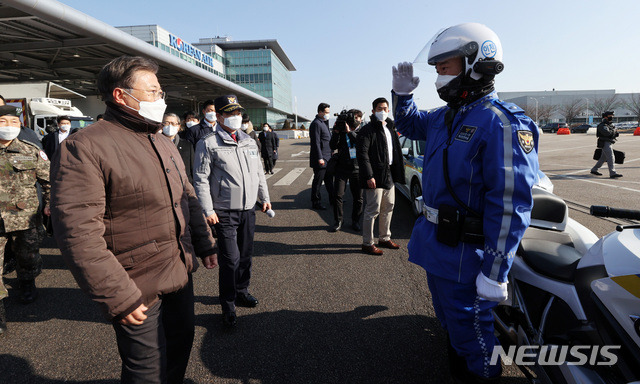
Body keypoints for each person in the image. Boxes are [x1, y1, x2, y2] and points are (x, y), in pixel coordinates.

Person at [50, 55, 218, 384]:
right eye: (153, 92)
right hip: (136, 286)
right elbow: (78, 235)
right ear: (120, 95)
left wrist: (203, 241)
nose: (161, 99)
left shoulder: (162, 141)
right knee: (147, 372)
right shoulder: (85, 147)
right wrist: (119, 296)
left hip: (179, 270)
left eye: (161, 92)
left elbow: (188, 197)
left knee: (179, 352)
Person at [392, 23, 539, 382]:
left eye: (446, 65)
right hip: (437, 246)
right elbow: (409, 125)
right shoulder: (445, 117)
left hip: (468, 256)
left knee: (473, 337)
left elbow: (510, 203)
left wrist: (495, 270)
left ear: (478, 63)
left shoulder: (501, 123)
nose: (439, 74)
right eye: (437, 68)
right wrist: (402, 95)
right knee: (449, 324)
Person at [193, 95, 271, 329]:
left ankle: (241, 291)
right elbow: (200, 179)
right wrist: (207, 209)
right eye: (229, 113)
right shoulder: (208, 143)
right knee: (230, 259)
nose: (236, 117)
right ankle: (228, 305)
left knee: (245, 256)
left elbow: (259, 173)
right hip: (224, 211)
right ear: (218, 116)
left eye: (238, 113)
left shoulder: (249, 141)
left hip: (248, 209)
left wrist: (264, 198)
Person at [0, 105, 51, 336]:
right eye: (3, 122)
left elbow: (49, 180)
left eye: (13, 122)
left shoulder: (30, 151)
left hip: (25, 217)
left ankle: (28, 283)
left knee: (27, 256)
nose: (9, 127)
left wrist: (50, 204)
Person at [356, 98, 405, 255]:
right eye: (379, 109)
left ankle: (384, 238)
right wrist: (369, 175)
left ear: (388, 110)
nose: (382, 111)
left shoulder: (390, 128)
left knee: (389, 207)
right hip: (374, 176)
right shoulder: (367, 130)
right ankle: (367, 243)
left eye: (385, 108)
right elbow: (362, 154)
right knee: (372, 210)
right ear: (373, 111)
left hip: (389, 174)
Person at [330, 109, 364, 232]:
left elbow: (360, 143)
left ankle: (355, 221)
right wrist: (336, 132)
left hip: (357, 168)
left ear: (360, 120)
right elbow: (333, 146)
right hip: (342, 167)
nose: (353, 121)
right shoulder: (341, 131)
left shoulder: (362, 130)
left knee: (358, 197)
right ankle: (338, 220)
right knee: (337, 195)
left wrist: (349, 132)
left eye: (356, 118)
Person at [309, 102, 333, 210]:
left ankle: (333, 199)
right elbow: (316, 143)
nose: (328, 114)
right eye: (326, 112)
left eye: (328, 112)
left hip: (328, 157)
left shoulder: (324, 122)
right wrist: (320, 158)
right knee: (318, 181)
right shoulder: (316, 124)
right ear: (320, 112)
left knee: (329, 180)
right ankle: (316, 201)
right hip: (321, 158)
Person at [162, 112, 195, 184]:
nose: (170, 126)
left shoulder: (187, 145)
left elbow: (192, 169)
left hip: (184, 186)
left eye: (173, 124)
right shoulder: (155, 143)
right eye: (167, 123)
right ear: (161, 125)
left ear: (178, 126)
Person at [591, 111, 622, 178]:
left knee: (603, 158)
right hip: (605, 143)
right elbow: (607, 133)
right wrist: (614, 131)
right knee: (611, 157)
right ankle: (612, 173)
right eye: (610, 116)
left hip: (609, 142)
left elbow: (615, 133)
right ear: (605, 117)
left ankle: (594, 169)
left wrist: (614, 132)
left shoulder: (610, 125)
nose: (612, 117)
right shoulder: (602, 125)